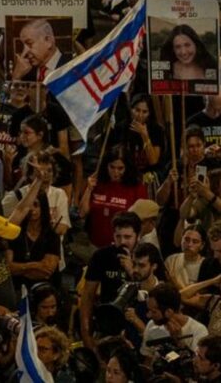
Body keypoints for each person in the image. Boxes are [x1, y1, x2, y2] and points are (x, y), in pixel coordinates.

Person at [80, 212, 141, 350]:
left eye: (127, 237)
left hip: (137, 322)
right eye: (118, 236)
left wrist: (131, 271)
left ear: (138, 236)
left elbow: (151, 290)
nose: (122, 241)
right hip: (107, 322)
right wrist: (86, 333)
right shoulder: (102, 256)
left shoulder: (145, 255)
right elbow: (88, 296)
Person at [80, 147, 147, 248]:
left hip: (123, 247)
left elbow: (142, 222)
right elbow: (82, 213)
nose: (115, 172)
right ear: (106, 166)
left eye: (120, 168)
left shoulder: (137, 188)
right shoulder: (96, 183)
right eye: (112, 167)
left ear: (127, 167)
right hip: (95, 245)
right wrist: (88, 189)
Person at [6, 190, 60, 291]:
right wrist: (35, 265)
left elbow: (47, 270)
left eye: (36, 205)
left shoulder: (52, 236)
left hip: (45, 289)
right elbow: (8, 268)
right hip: (17, 288)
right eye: (29, 205)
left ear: (43, 207)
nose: (32, 209)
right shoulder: (14, 233)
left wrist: (21, 269)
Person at [141, 282, 209, 360]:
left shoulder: (198, 331)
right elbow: (147, 358)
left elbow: (195, 367)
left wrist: (179, 342)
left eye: (153, 311)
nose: (148, 315)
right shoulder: (151, 324)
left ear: (168, 312)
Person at [109, 93, 164, 174]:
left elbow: (153, 161)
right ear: (131, 109)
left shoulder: (156, 129)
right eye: (137, 110)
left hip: (148, 175)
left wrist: (144, 135)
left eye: (144, 112)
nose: (140, 115)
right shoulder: (120, 128)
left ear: (149, 113)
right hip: (125, 174)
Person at [10, 18, 72, 83]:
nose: (24, 52)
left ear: (48, 41)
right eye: (23, 46)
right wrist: (16, 77)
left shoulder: (72, 67)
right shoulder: (25, 72)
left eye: (30, 43)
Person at [167, 225, 207, 290]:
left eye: (195, 242)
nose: (189, 244)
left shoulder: (206, 265)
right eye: (186, 239)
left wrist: (176, 284)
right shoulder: (172, 260)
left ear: (202, 245)